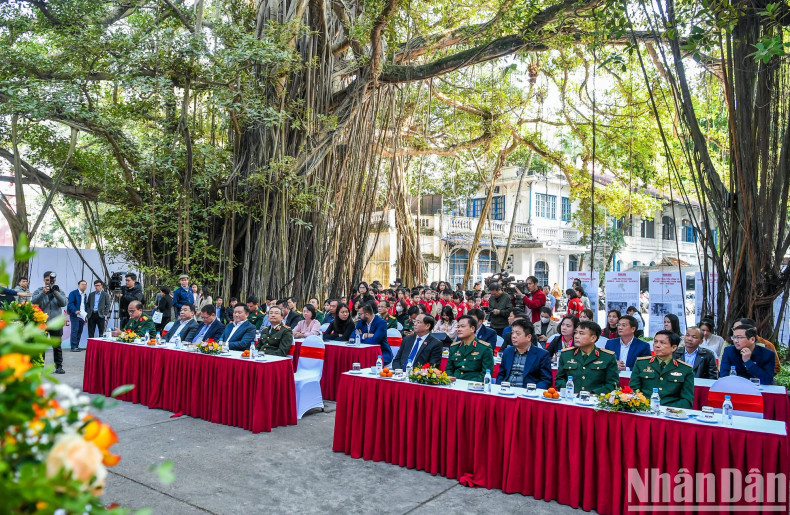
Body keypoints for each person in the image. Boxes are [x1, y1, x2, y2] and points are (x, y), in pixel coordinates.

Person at [630, 330, 694, 408]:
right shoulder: (641, 363)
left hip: (671, 412)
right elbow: (634, 390)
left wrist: (668, 409)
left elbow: (687, 400)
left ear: (673, 347)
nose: (657, 345)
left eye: (662, 343)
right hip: (645, 409)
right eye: (655, 342)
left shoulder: (685, 369)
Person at [555, 321, 619, 395]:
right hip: (571, 398)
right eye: (576, 332)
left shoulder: (608, 357)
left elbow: (612, 384)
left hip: (596, 400)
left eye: (581, 333)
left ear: (593, 338)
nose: (576, 336)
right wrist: (569, 391)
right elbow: (559, 379)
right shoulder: (566, 354)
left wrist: (593, 394)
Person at [497, 319, 552, 388]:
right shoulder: (507, 352)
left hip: (528, 393)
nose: (513, 336)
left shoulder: (542, 355)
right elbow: (501, 375)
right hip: (506, 391)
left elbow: (546, 381)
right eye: (512, 332)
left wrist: (532, 390)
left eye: (518, 333)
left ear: (529, 337)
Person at [32, 271, 67, 374]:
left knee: (57, 346)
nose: (49, 282)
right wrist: (43, 293)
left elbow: (64, 303)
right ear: (44, 280)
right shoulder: (39, 290)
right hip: (42, 323)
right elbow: (33, 302)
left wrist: (55, 293)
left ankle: (59, 366)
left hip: (56, 323)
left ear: (55, 280)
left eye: (52, 280)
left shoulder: (59, 291)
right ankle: (40, 366)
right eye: (47, 280)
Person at [446, 315, 495, 382]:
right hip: (454, 383)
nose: (459, 329)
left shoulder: (484, 348)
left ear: (472, 329)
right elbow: (449, 369)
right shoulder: (454, 347)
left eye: (462, 326)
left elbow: (486, 373)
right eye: (458, 327)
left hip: (474, 385)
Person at [66, 280, 88, 352]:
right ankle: (73, 346)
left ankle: (77, 345)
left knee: (80, 330)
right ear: (78, 285)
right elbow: (70, 304)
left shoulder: (85, 294)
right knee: (74, 330)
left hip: (82, 314)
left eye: (85, 284)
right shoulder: (73, 293)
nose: (84, 286)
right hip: (75, 314)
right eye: (82, 284)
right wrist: (75, 310)